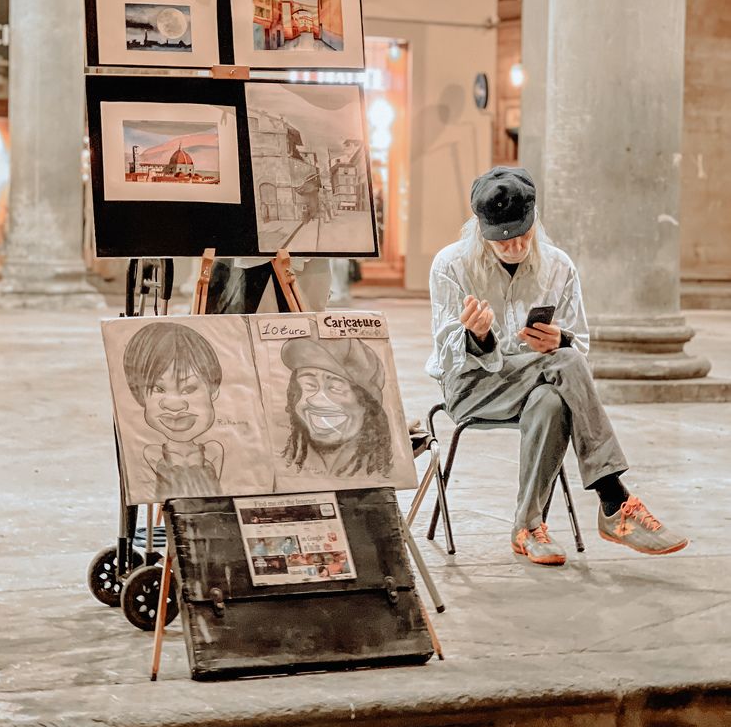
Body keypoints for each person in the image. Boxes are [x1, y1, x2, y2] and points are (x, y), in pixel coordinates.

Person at [426, 166, 688, 566]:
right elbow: (446, 357)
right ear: (481, 229)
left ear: (535, 220)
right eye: (503, 240)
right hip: (472, 388)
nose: (515, 247)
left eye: (523, 235)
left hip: (541, 382)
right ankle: (613, 499)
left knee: (550, 399)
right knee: (563, 365)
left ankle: (527, 527)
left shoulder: (559, 266)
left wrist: (560, 339)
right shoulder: (450, 265)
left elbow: (579, 346)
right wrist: (476, 337)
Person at [123, 321, 224, 501]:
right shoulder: (151, 454)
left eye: (188, 388)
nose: (174, 405)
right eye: (158, 389)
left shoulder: (214, 451)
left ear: (214, 390)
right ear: (139, 395)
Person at [278, 329, 393, 481]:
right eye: (309, 385)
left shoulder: (379, 467)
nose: (316, 400)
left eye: (336, 388)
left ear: (366, 404)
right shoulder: (286, 461)